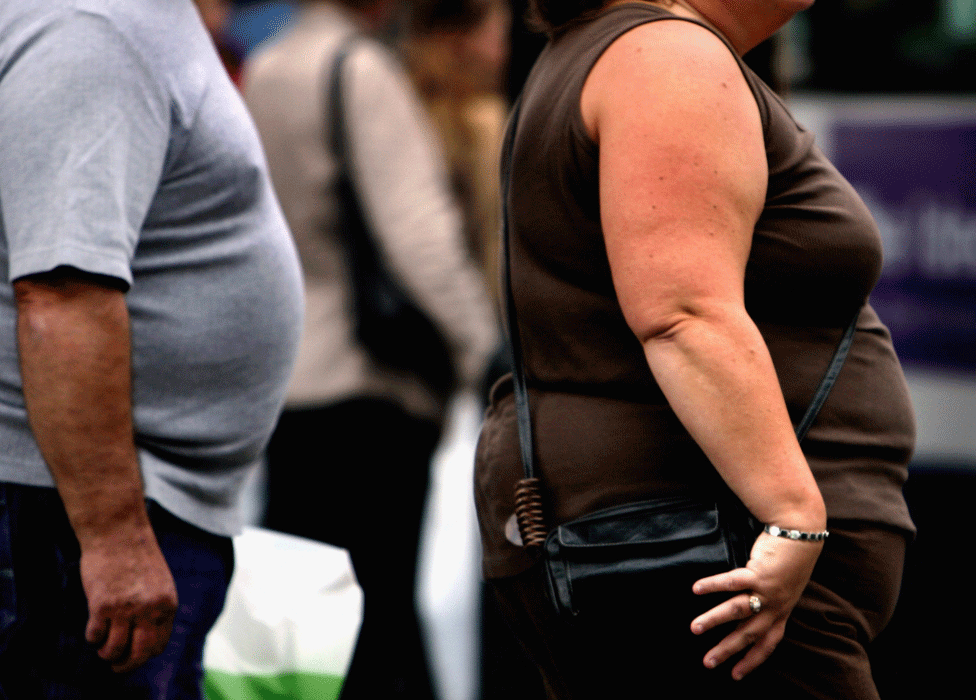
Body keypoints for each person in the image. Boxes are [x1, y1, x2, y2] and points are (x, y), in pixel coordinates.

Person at [474, 1, 916, 699]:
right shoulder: (666, 57)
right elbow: (683, 313)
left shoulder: (634, 49)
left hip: (685, 540)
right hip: (710, 547)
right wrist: (795, 516)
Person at [0, 1, 304, 698]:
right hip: (74, 517)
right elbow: (60, 295)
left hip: (107, 507)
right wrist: (112, 536)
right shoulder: (93, 26)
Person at [242, 1, 499, 698]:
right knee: (377, 622)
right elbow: (419, 237)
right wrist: (484, 354)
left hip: (293, 380)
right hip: (371, 384)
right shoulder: (359, 69)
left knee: (300, 629)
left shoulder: (265, 69)